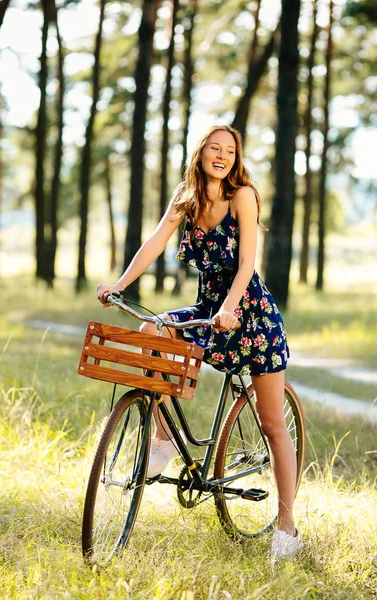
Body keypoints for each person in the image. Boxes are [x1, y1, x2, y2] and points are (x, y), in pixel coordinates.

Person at [96, 125, 302, 560]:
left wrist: (231, 308)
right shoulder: (186, 198)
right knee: (154, 330)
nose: (222, 156)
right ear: (201, 153)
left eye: (230, 150)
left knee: (271, 424)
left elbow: (248, 262)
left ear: (236, 158)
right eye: (215, 148)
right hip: (209, 308)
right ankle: (166, 439)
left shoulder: (241, 195)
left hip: (250, 315)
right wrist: (120, 283)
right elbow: (154, 243)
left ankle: (287, 526)